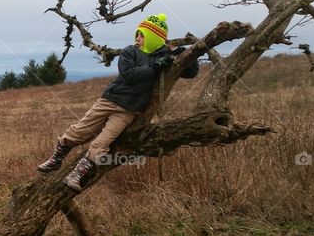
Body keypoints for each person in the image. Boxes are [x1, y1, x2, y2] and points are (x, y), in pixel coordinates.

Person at [36, 14, 199, 191]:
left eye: (142, 35)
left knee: (102, 143)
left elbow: (191, 73)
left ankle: (76, 176)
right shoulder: (130, 52)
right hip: (109, 100)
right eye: (137, 34)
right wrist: (155, 66)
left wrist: (186, 52)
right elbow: (130, 75)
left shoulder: (165, 56)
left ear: (153, 37)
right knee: (80, 132)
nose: (137, 38)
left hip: (128, 111)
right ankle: (55, 160)